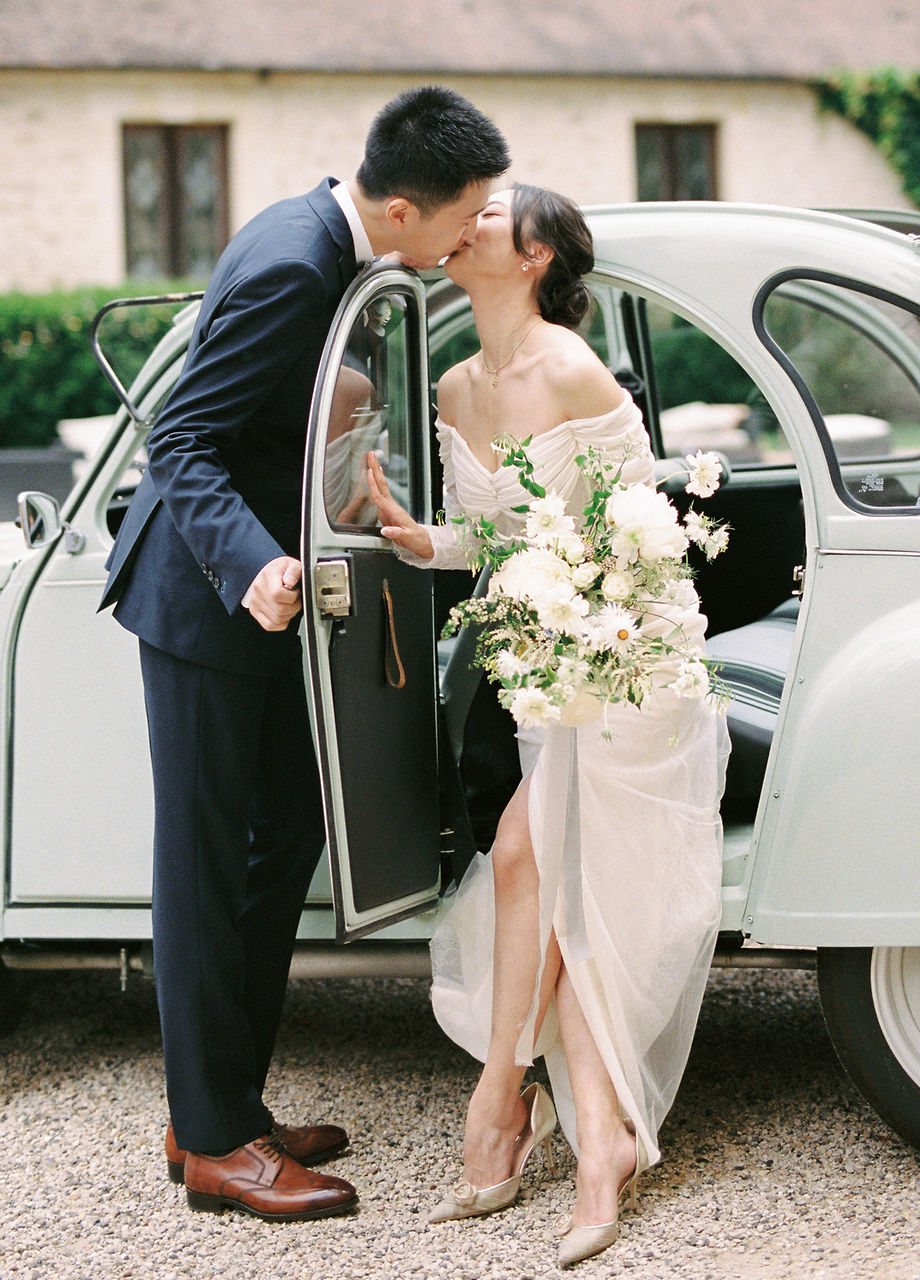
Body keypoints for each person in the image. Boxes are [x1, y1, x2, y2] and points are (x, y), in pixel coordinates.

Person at [99, 86, 509, 1223]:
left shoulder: (330, 246)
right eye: (465, 214)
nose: (473, 233)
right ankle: (213, 1143)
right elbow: (181, 435)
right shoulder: (292, 261)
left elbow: (286, 416)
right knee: (207, 867)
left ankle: (226, 1101)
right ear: (401, 206)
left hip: (274, 599)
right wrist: (253, 566)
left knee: (280, 840)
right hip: (207, 604)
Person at [367, 184, 729, 1267]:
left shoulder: (572, 366)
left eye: (490, 215)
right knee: (533, 857)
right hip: (546, 668)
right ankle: (540, 1111)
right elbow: (491, 538)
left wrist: (594, 639)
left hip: (629, 655)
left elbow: (644, 531)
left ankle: (580, 1135)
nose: (463, 221)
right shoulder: (454, 383)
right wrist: (415, 538)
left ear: (533, 257)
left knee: (541, 858)